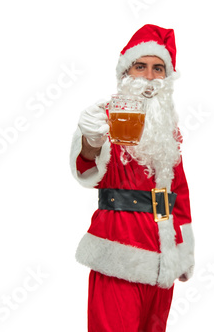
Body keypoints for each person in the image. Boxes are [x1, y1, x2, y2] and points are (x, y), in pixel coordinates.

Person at [69, 24, 195, 331]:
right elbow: (87, 168)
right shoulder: (103, 118)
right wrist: (90, 140)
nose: (150, 77)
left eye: (158, 68)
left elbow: (177, 191)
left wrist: (183, 251)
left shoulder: (169, 129)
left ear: (167, 77)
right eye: (141, 67)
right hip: (119, 254)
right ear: (127, 73)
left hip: (162, 260)